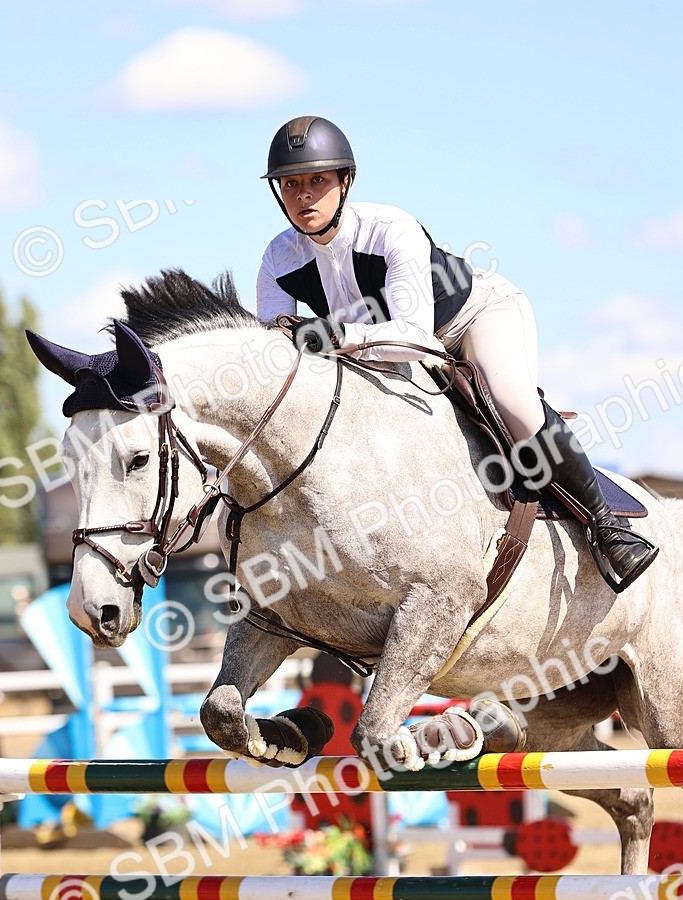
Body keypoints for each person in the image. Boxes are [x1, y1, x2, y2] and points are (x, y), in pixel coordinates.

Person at [256, 115, 658, 592]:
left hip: (472, 319)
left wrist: (335, 337)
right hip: (377, 349)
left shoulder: (389, 229)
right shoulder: (278, 259)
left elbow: (417, 339)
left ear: (346, 182)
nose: (303, 195)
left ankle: (608, 527)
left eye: (317, 181)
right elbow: (276, 351)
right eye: (291, 183)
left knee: (512, 401)